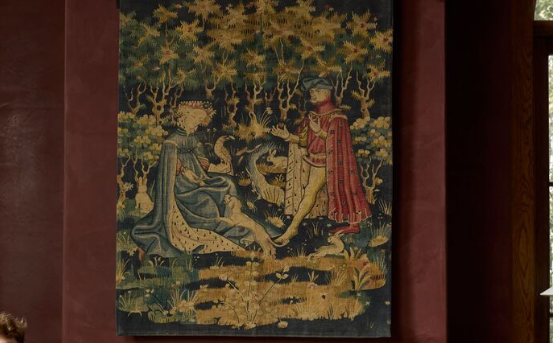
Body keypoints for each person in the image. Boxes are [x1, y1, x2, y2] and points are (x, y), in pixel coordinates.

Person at [131, 99, 277, 260]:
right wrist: (183, 170)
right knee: (205, 200)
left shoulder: (193, 139)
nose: (196, 124)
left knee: (227, 182)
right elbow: (169, 172)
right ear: (182, 118)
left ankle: (235, 217)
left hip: (200, 179)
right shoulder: (170, 142)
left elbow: (203, 164)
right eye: (194, 119)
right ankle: (227, 224)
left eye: (198, 121)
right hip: (181, 188)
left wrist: (218, 168)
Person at [269, 77, 373, 246]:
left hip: (329, 162)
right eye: (311, 92)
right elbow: (303, 141)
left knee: (313, 191)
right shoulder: (312, 115)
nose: (313, 94)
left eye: (316, 91)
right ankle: (353, 224)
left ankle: (292, 229)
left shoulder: (337, 117)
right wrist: (288, 136)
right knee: (312, 192)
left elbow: (337, 143)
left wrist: (320, 132)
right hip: (312, 159)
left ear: (327, 92)